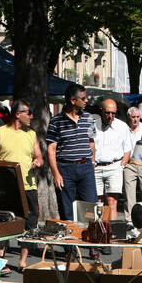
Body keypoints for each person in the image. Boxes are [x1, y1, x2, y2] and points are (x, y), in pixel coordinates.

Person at [0, 100, 43, 267]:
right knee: (4, 222)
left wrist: (38, 162)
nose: (31, 116)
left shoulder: (31, 134)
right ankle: (0, 260)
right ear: (18, 114)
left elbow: (38, 156)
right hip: (7, 187)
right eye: (29, 112)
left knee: (29, 223)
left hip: (28, 186)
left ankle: (23, 261)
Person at [46, 83, 97, 222]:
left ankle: (88, 241)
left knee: (90, 208)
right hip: (65, 169)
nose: (86, 100)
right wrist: (56, 173)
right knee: (66, 210)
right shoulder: (57, 121)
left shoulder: (88, 118)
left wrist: (92, 163)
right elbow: (51, 149)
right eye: (83, 98)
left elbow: (91, 142)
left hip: (86, 166)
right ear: (73, 100)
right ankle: (70, 243)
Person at [93, 98, 132, 220]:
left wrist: (121, 166)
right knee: (97, 202)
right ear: (101, 111)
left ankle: (113, 233)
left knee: (112, 201)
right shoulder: (93, 125)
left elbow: (128, 150)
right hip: (96, 167)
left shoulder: (122, 126)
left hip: (114, 166)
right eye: (107, 112)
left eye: (113, 113)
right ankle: (98, 231)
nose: (110, 116)